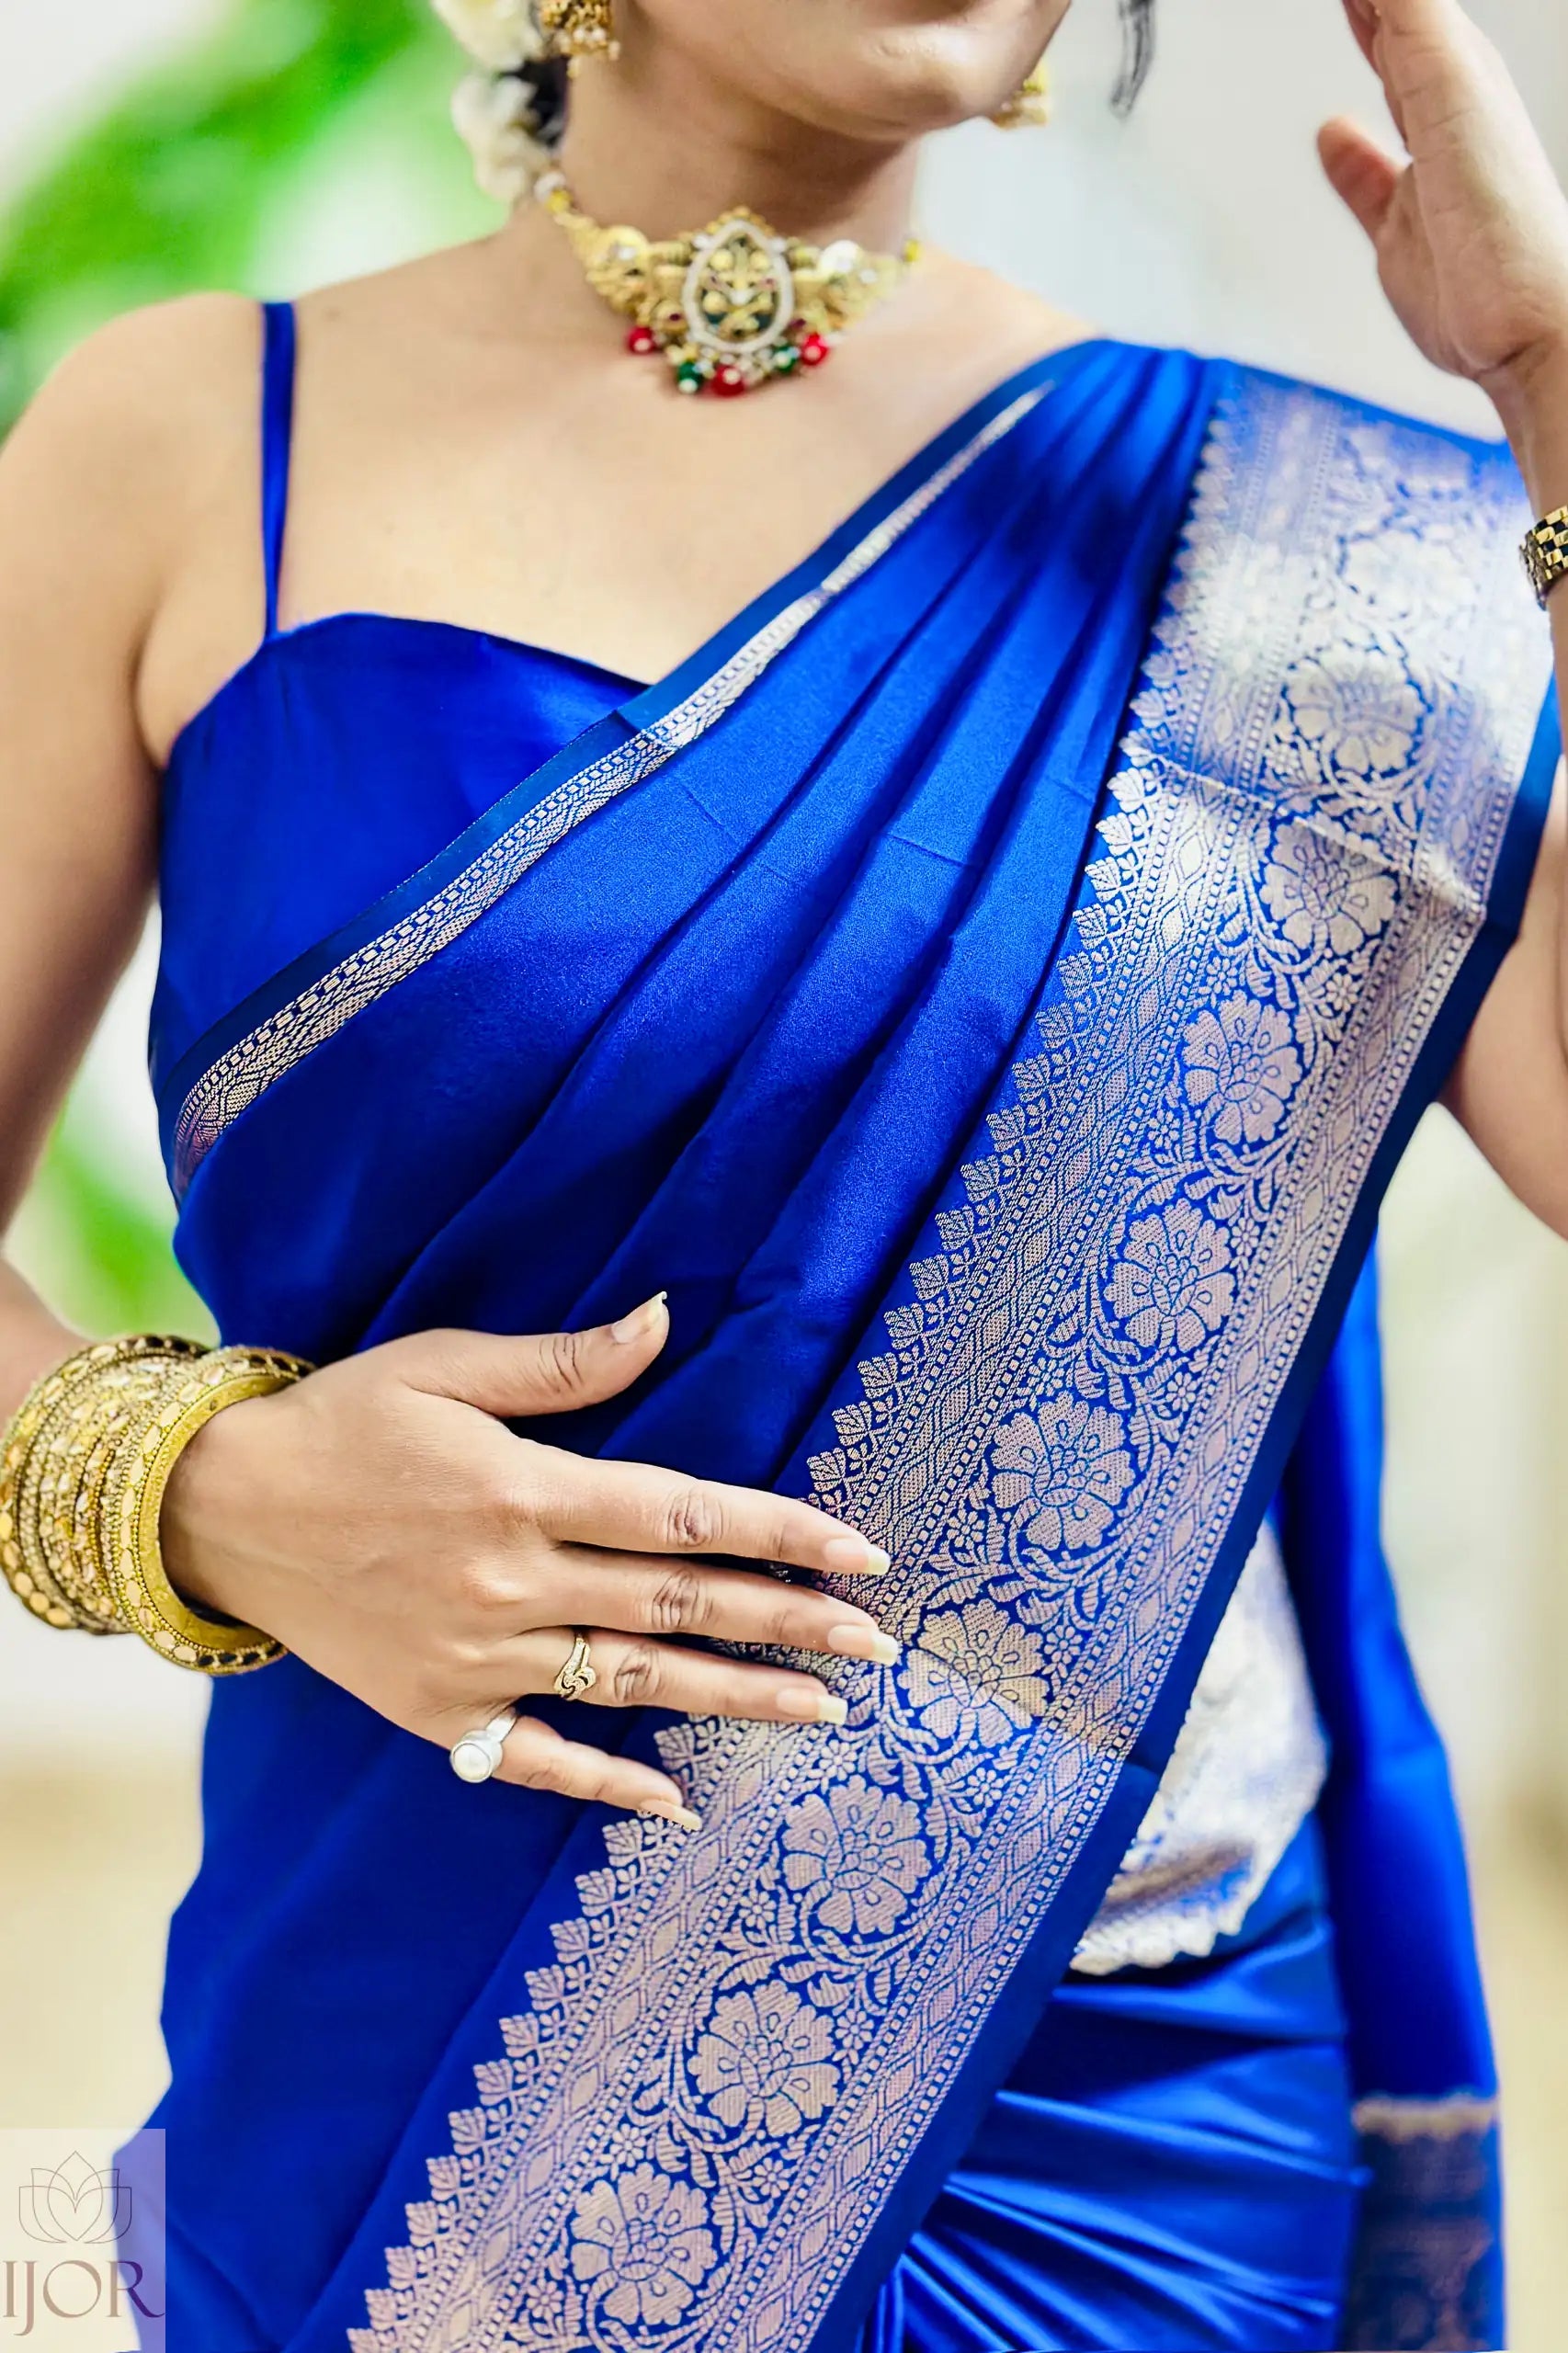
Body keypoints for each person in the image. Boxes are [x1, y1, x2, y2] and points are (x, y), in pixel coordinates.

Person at [0, 0, 1565, 2344]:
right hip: (424, 2042)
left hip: (1135, 2077)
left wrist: (1554, 388)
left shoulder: (1311, 539)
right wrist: (192, 1489)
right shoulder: (188, 442)